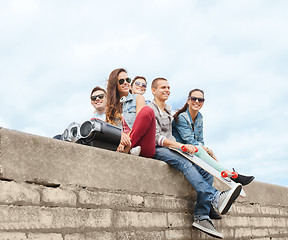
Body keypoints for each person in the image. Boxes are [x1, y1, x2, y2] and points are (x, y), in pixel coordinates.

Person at [149, 77, 242, 239]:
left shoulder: (167, 111)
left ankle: (201, 216)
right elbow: (156, 138)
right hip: (157, 149)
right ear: (153, 90)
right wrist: (180, 147)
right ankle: (213, 197)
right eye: (163, 87)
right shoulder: (151, 109)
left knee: (204, 170)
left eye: (168, 87)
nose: (167, 90)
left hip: (171, 147)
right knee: (185, 163)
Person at [172, 88, 255, 186]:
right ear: (188, 100)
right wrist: (208, 151)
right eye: (194, 99)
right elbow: (189, 141)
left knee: (206, 162)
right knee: (200, 150)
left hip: (193, 152)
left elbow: (200, 140)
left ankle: (224, 178)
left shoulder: (199, 117)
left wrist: (208, 152)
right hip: (180, 150)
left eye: (200, 100)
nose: (197, 101)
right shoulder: (182, 117)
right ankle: (228, 173)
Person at [105, 68, 156, 158]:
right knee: (95, 121)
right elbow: (110, 129)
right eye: (121, 81)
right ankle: (127, 148)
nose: (126, 83)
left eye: (127, 80)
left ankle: (128, 148)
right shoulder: (110, 108)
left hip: (141, 143)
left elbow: (140, 124)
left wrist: (126, 141)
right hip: (120, 145)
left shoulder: (138, 98)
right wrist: (120, 135)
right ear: (114, 85)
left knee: (147, 111)